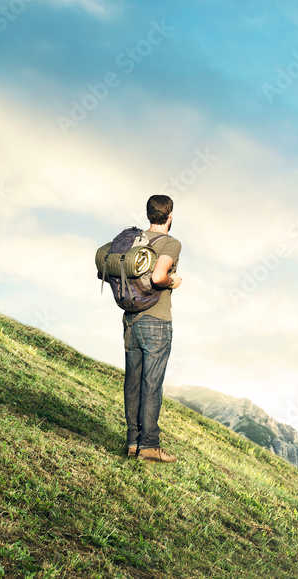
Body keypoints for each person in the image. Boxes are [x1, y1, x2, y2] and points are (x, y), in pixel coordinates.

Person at [123, 194, 182, 462]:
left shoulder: (136, 240)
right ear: (170, 217)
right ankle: (149, 445)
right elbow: (158, 277)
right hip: (156, 321)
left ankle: (133, 442)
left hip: (130, 319)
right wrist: (173, 281)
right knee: (152, 383)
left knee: (133, 382)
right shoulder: (170, 242)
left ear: (148, 216)